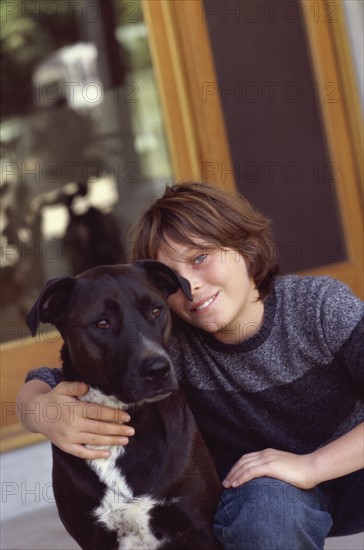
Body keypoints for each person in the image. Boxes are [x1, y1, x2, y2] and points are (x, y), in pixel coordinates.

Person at [17, 182, 364, 549]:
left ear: (245, 248)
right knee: (268, 512)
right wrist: (39, 411)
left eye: (200, 258)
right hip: (272, 494)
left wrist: (312, 466)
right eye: (175, 278)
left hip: (353, 469)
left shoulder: (319, 308)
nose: (191, 286)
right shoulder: (166, 341)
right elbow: (50, 380)